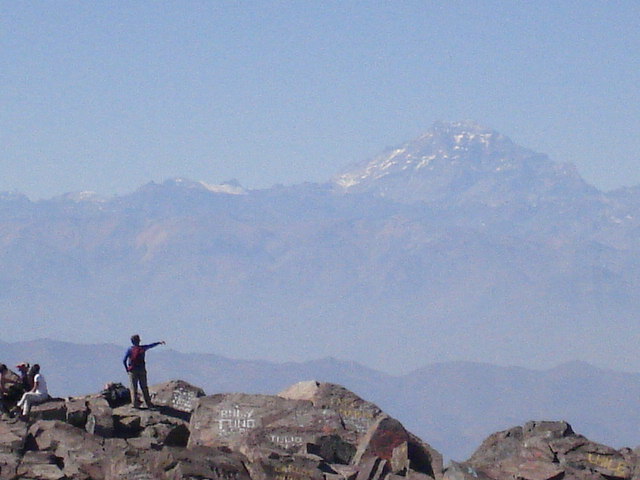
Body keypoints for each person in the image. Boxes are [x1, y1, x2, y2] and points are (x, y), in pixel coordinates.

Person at [123, 335, 165, 409]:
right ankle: (148, 403)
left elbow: (124, 360)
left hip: (132, 370)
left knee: (133, 388)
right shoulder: (142, 348)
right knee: (144, 387)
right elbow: (151, 345)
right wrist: (159, 343)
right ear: (139, 341)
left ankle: (135, 404)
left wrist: (127, 369)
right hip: (142, 370)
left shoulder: (130, 349)